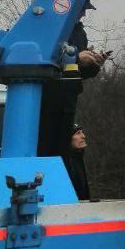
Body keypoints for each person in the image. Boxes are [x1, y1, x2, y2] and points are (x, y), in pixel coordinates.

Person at [37, 13, 109, 160]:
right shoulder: (49, 27)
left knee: (62, 147)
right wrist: (76, 58)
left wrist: (94, 64)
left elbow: (81, 71)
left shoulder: (80, 34)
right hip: (46, 97)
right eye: (82, 8)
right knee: (45, 144)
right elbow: (44, 58)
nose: (84, 14)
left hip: (69, 97)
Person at [65, 124, 91, 201]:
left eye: (82, 132)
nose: (83, 136)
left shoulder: (79, 159)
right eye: (78, 133)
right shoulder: (63, 163)